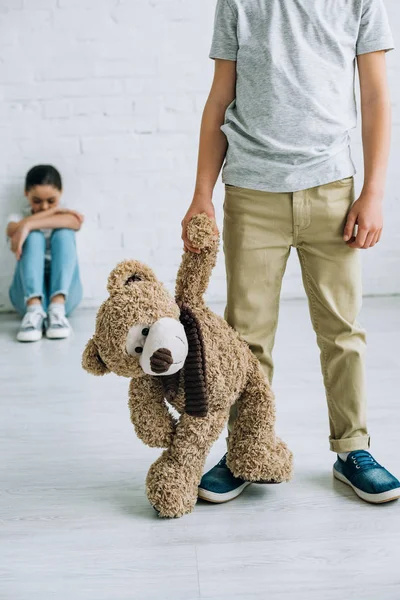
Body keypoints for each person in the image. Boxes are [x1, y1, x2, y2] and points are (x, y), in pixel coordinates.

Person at [181, 0, 400, 504]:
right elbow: (219, 99)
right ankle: (244, 449)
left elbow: (376, 97)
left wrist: (374, 192)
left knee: (342, 331)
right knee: (246, 337)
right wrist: (201, 194)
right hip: (251, 195)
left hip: (332, 191)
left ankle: (353, 450)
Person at [6, 165, 83, 342]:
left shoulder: (66, 215)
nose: (44, 206)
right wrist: (27, 226)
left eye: (51, 201)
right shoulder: (16, 217)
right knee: (33, 237)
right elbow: (12, 229)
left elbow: (76, 223)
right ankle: (34, 311)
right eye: (37, 201)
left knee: (64, 233)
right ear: (26, 194)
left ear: (61, 193)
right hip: (25, 297)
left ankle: (56, 311)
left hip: (65, 299)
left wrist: (28, 225)